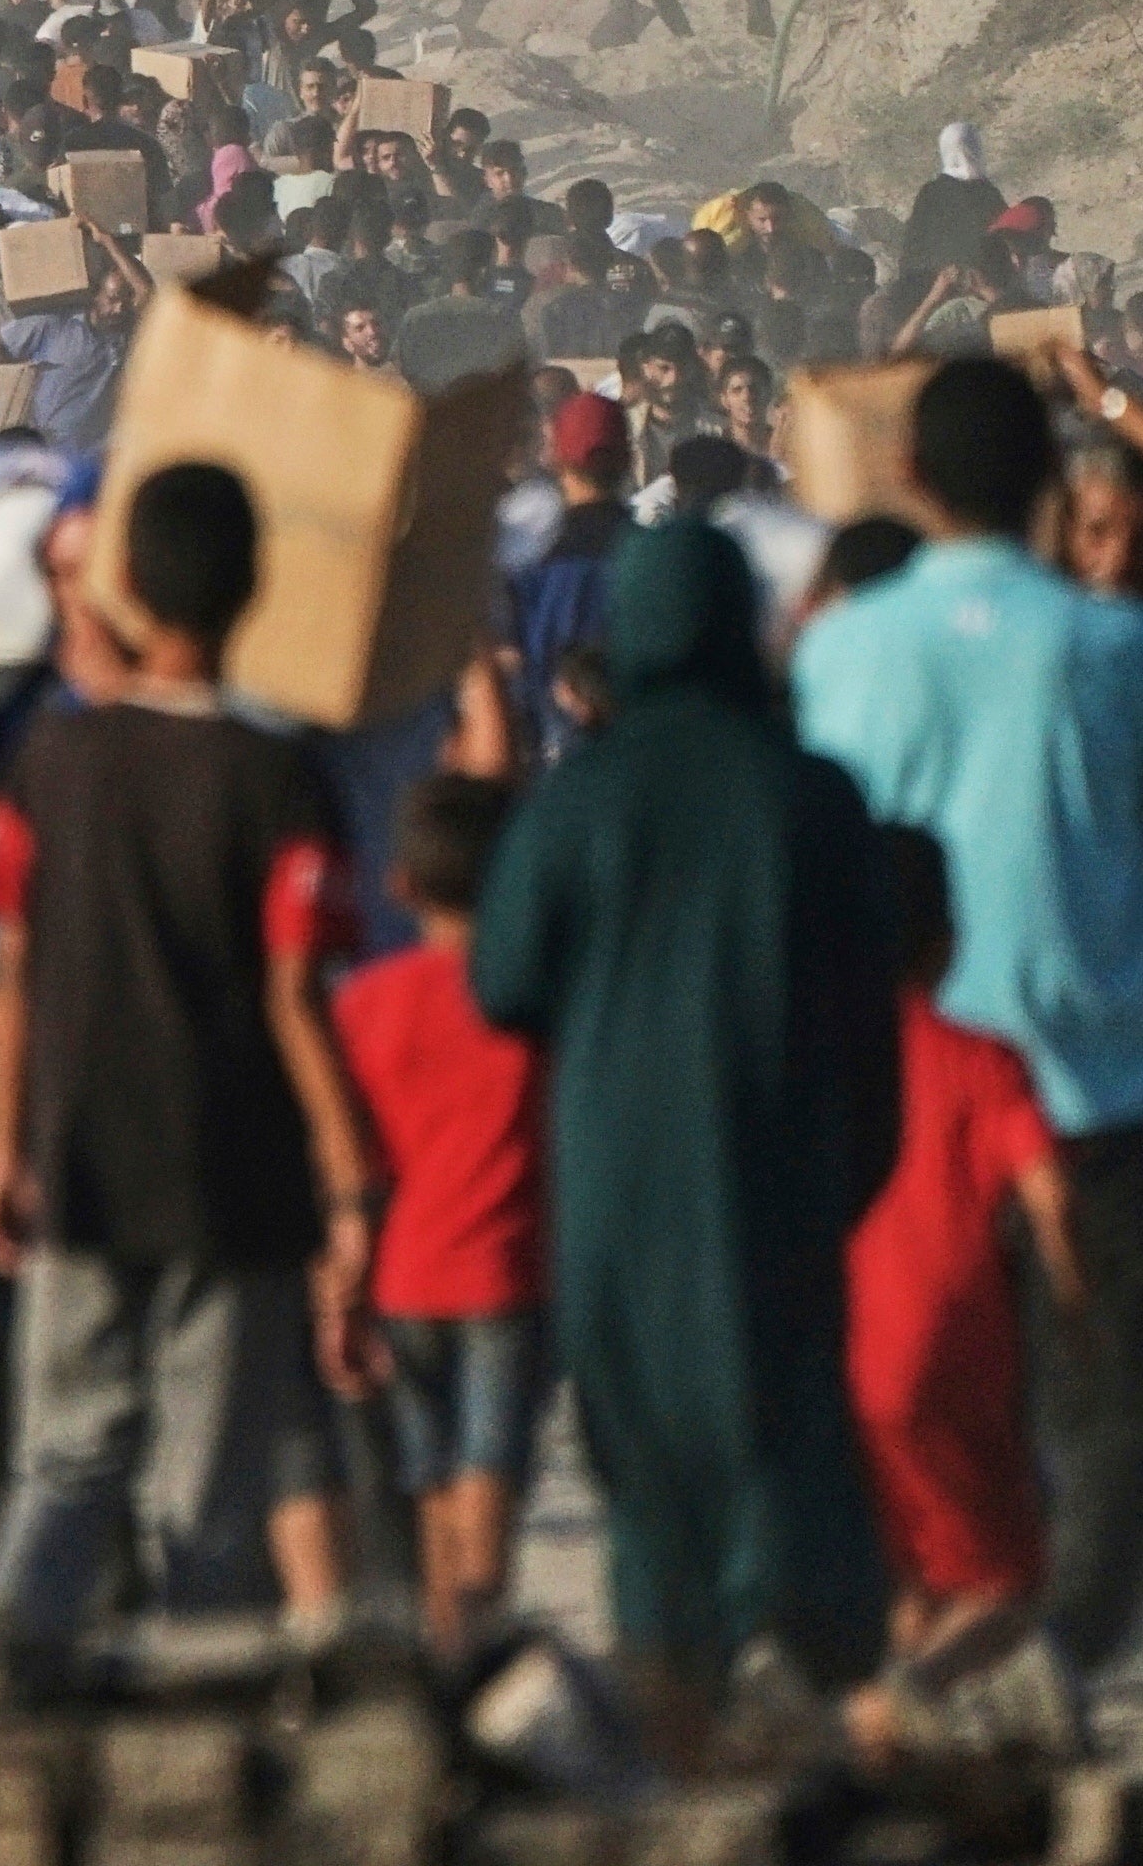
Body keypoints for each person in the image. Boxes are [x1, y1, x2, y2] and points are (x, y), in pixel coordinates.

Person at [476, 503, 902, 1733]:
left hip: (615, 1185)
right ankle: (806, 1680)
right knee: (790, 1444)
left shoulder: (583, 798)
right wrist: (849, 1172)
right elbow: (874, 1010)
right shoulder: (812, 797)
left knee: (645, 1469)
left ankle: (674, 1705)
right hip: (784, 1175)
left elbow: (504, 977)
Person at [0, 461, 372, 1671]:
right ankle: (196, 1738)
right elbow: (298, 994)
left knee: (66, 1455)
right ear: (256, 589)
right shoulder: (277, 778)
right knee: (207, 1484)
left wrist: (3, 1147)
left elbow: (15, 968)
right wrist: (348, 1182)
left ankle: (11, 1682)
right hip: (229, 1173)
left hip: (81, 1154)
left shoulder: (54, 762)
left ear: (124, 582)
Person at [795, 357, 1143, 1692]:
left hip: (903, 1099)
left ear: (909, 478)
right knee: (1102, 1410)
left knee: (913, 1394)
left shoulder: (841, 652)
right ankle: (1060, 1656)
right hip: (1089, 1091)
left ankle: (930, 1647)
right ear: (1056, 490)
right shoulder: (1111, 649)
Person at [331, 774, 550, 1658]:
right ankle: (481, 1631)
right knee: (490, 1466)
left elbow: (352, 1158)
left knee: (428, 1478)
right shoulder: (534, 1001)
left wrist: (340, 1281)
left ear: (401, 887)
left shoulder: (364, 1003)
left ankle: (444, 1639)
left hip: (402, 1274)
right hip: (503, 1270)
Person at [852, 825, 1075, 1666]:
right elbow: (1048, 1193)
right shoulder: (982, 1062)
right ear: (949, 942)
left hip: (839, 1355)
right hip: (950, 1360)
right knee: (1012, 1582)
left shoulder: (819, 1060)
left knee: (913, 1574)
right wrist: (1076, 1293)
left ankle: (900, 1743)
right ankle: (908, 1707)